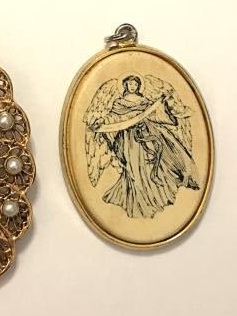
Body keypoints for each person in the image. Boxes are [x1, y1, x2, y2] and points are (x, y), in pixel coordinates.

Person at [85, 75, 199, 219]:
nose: (132, 86)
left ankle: (156, 197)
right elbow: (113, 117)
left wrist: (163, 103)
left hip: (147, 134)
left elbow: (153, 111)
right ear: (125, 85)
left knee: (151, 164)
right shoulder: (119, 102)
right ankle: (140, 201)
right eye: (130, 84)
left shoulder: (144, 100)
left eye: (135, 84)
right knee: (134, 169)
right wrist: (102, 121)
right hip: (129, 139)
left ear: (138, 86)